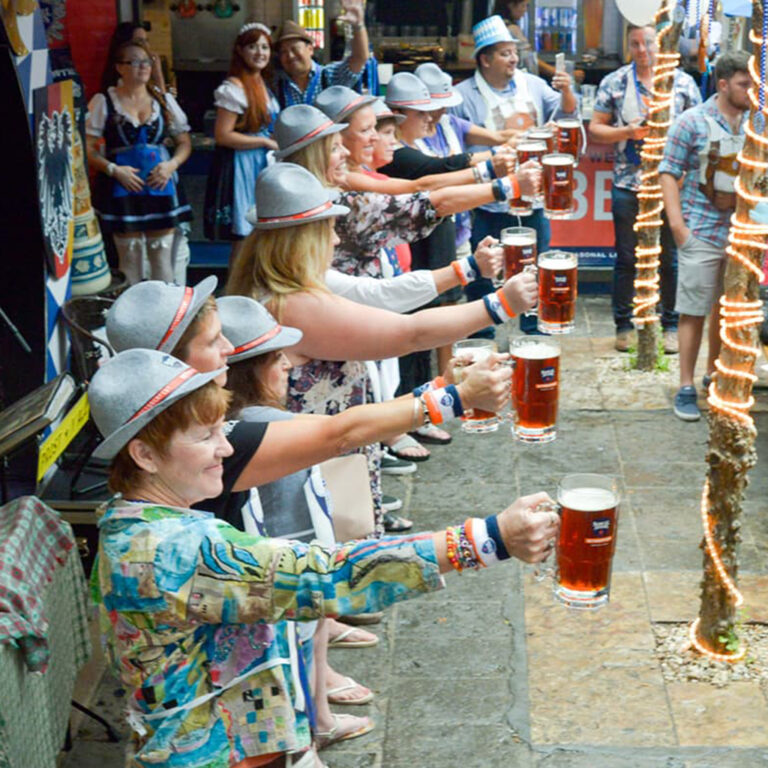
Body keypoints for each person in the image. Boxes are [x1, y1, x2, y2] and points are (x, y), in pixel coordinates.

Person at [88, 346, 559, 768]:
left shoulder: (124, 519)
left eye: (221, 429)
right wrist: (489, 539)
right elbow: (323, 574)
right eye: (204, 436)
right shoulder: (178, 550)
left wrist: (445, 392)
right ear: (145, 455)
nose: (226, 448)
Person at [226, 162, 537, 534]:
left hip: (321, 460)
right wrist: (500, 305)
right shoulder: (291, 302)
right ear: (302, 239)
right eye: (328, 229)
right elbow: (409, 334)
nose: (337, 240)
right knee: (329, 570)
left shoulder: (272, 286)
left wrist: (439, 389)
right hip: (311, 477)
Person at [450, 15, 578, 336]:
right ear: (484, 59)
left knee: (536, 275)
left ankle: (535, 338)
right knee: (483, 276)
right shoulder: (462, 96)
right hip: (487, 203)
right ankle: (481, 340)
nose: (514, 59)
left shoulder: (532, 85)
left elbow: (566, 116)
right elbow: (456, 150)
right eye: (505, 53)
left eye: (514, 52)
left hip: (532, 201)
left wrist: (567, 93)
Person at [589, 24, 701, 353]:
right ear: (629, 47)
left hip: (671, 185)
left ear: (661, 45)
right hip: (627, 182)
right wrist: (627, 133)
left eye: (648, 43)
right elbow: (596, 129)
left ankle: (669, 325)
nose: (642, 50)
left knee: (669, 259)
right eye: (635, 44)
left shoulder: (682, 83)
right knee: (625, 258)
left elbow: (698, 133)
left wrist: (683, 172)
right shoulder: (615, 82)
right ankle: (623, 326)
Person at [659, 51, 750, 421]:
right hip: (701, 229)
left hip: (743, 234)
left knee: (727, 312)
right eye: (745, 84)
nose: (752, 90)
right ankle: (685, 385)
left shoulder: (756, 122)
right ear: (724, 84)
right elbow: (668, 171)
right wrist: (678, 226)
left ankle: (714, 376)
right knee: (693, 310)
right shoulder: (691, 121)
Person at [86, 38, 192, 285]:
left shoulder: (163, 101)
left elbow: (184, 142)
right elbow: (86, 148)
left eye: (146, 61)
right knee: (130, 257)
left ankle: (165, 318)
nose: (142, 66)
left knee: (162, 255)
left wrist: (171, 165)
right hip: (123, 187)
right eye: (133, 61)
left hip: (161, 184)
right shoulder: (104, 101)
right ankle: (132, 320)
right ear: (119, 67)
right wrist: (113, 169)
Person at [204, 21, 279, 256]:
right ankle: (237, 288)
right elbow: (223, 135)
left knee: (261, 235)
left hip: (262, 164)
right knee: (245, 235)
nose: (260, 53)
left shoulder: (262, 83)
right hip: (243, 165)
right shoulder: (233, 87)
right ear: (240, 50)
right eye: (253, 47)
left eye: (265, 47)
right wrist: (264, 141)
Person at [275, 1, 367, 109]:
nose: (290, 56)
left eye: (295, 49)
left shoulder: (329, 76)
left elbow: (359, 58)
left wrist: (358, 26)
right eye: (283, 52)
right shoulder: (276, 85)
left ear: (310, 49)